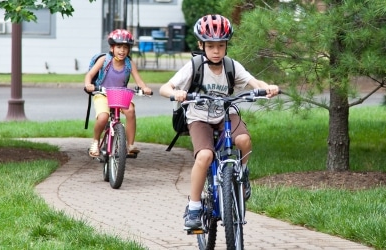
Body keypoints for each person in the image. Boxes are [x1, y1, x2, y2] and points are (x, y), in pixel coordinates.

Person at [159, 14, 280, 230]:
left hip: (225, 114)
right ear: (201, 45)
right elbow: (164, 88)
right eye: (211, 46)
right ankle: (194, 207)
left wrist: (267, 86)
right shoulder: (195, 66)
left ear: (226, 46)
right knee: (205, 155)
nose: (216, 51)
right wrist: (176, 93)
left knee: (243, 140)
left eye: (221, 46)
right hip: (199, 118)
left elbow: (254, 82)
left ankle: (242, 174)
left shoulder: (232, 66)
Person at [84, 29, 153, 157]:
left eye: (125, 47)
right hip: (103, 94)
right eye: (119, 47)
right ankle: (95, 141)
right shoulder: (104, 60)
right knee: (103, 117)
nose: (122, 51)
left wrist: (145, 88)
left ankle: (130, 145)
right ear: (112, 47)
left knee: (131, 111)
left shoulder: (129, 63)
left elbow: (139, 81)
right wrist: (89, 84)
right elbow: (90, 74)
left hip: (120, 95)